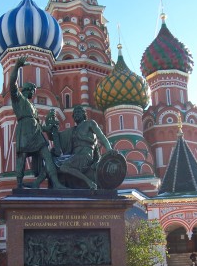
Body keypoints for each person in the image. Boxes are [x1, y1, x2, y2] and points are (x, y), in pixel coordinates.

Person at [10, 56, 65, 189]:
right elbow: (12, 84)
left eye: (34, 91)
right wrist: (17, 66)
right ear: (26, 90)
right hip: (24, 132)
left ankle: (56, 183)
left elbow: (40, 126)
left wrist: (49, 127)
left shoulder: (32, 107)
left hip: (36, 133)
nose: (33, 93)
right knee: (22, 157)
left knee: (47, 156)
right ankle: (19, 184)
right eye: (32, 91)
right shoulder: (18, 99)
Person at [46, 105, 118, 189]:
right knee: (52, 161)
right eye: (75, 113)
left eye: (78, 112)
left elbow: (101, 137)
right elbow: (54, 137)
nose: (76, 114)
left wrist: (109, 149)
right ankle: (58, 186)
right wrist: (49, 123)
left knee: (64, 167)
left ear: (84, 114)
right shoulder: (72, 130)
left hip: (85, 156)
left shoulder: (89, 123)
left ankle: (89, 182)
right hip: (74, 156)